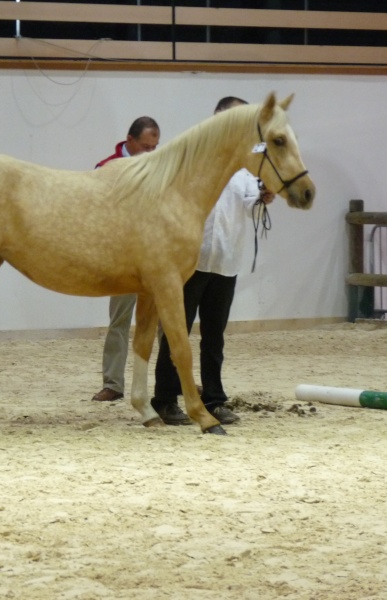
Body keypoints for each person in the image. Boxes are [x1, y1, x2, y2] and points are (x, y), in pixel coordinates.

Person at [150, 96, 275, 425]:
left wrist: (263, 198)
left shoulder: (244, 168)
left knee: (214, 337)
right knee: (177, 333)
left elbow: (248, 204)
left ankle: (214, 399)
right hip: (191, 260)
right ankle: (165, 398)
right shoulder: (193, 158)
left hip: (226, 261)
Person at [91, 116, 161, 402]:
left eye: (154, 147)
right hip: (122, 256)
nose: (150, 152)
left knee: (164, 322)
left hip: (153, 255)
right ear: (129, 140)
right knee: (119, 319)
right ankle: (113, 383)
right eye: (145, 146)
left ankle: (169, 383)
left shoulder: (158, 168)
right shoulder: (106, 168)